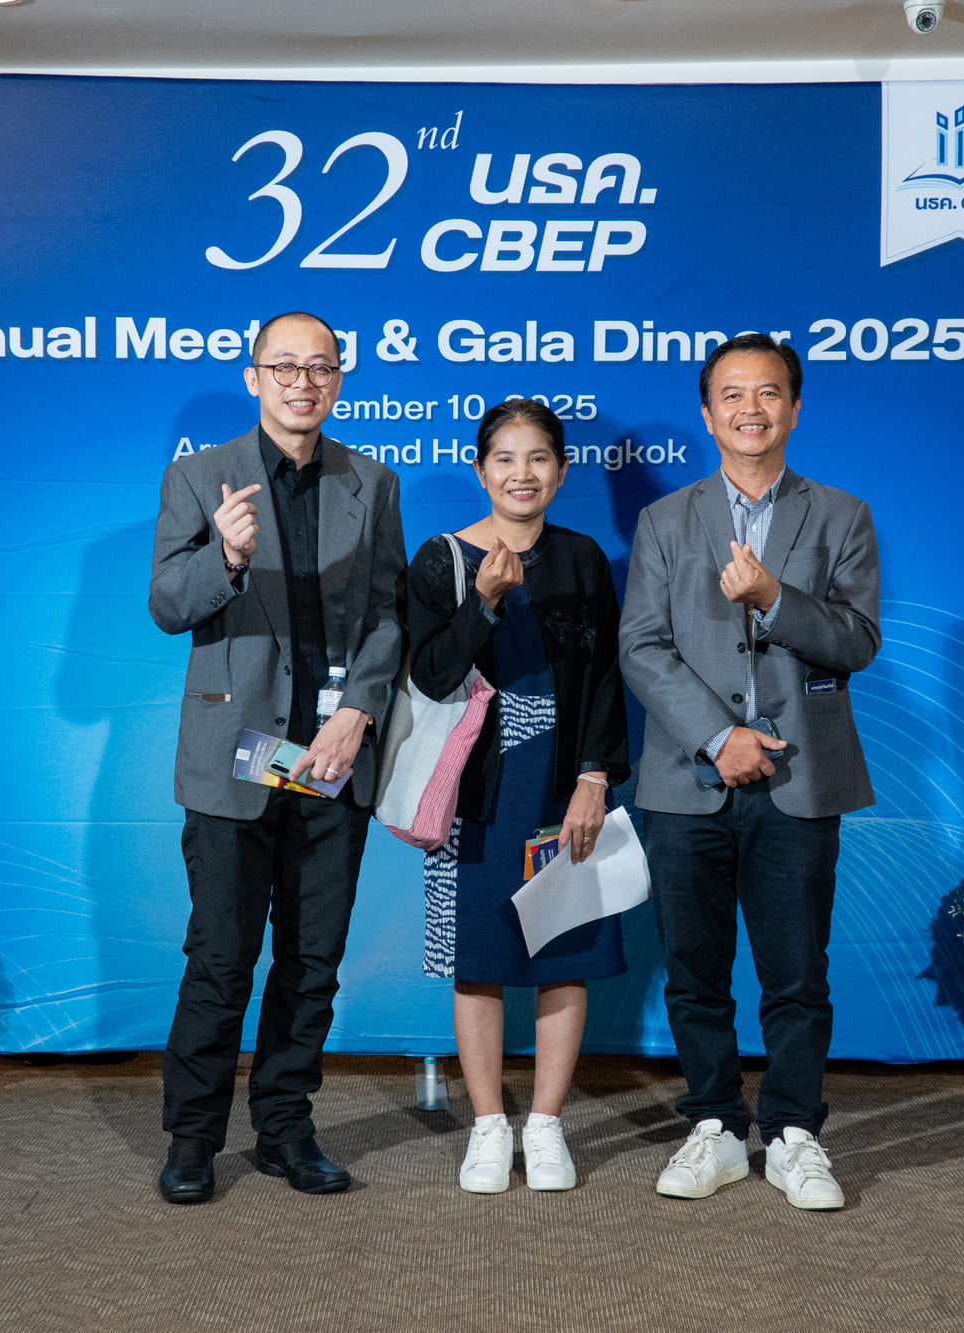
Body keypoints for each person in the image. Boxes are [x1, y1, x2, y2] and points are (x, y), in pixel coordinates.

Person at [146, 311, 406, 1204]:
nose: (304, 382)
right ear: (254, 377)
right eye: (285, 366)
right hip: (234, 759)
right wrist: (225, 555)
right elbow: (166, 605)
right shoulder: (198, 475)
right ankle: (193, 1135)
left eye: (320, 367)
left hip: (329, 762)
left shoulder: (372, 482)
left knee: (311, 959)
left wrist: (359, 712)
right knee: (221, 957)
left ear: (339, 379)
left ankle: (286, 1127)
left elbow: (386, 614)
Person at [619, 333, 880, 1209]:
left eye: (768, 392)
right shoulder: (666, 520)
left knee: (797, 970)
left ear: (794, 408)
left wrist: (773, 597)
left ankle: (796, 1131)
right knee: (694, 967)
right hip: (687, 779)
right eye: (732, 394)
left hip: (799, 779)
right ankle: (716, 1126)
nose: (750, 409)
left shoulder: (841, 515)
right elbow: (642, 646)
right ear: (708, 414)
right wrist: (716, 736)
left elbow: (857, 640)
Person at [405, 398, 632, 1195]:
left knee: (564, 955)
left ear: (562, 472)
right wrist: (484, 602)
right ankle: (488, 1126)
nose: (521, 473)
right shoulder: (440, 560)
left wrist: (595, 777)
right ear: (480, 470)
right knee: (479, 961)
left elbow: (605, 677)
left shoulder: (583, 558)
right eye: (505, 458)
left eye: (538, 458)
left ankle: (545, 1123)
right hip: (475, 793)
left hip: (564, 786)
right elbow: (430, 677)